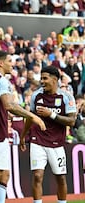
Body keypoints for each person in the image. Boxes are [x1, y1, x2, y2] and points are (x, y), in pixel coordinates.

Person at [0, 51, 46, 203]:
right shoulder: (2, 80)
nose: (12, 64)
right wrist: (32, 116)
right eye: (9, 61)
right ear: (0, 62)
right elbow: (9, 105)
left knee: (4, 174)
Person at [20, 66, 77, 203]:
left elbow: (72, 121)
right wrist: (23, 136)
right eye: (41, 78)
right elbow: (30, 117)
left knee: (61, 178)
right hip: (37, 140)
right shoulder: (36, 95)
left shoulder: (66, 97)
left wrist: (51, 114)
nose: (42, 81)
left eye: (45, 78)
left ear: (55, 79)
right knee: (37, 176)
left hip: (57, 143)